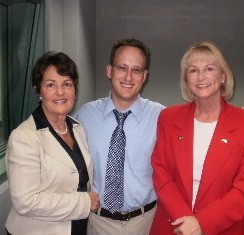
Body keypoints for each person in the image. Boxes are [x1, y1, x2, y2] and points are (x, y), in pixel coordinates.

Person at [150, 41, 244, 235]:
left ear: (222, 76)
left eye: (209, 68)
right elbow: (161, 174)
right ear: (186, 79)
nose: (201, 77)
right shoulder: (168, 118)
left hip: (224, 227)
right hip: (173, 224)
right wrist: (186, 221)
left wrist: (201, 223)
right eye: (193, 70)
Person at [74, 38, 164, 235]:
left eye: (137, 69)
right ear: (109, 71)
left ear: (145, 76)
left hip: (146, 223)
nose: (128, 76)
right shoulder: (85, 116)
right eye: (122, 67)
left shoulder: (161, 117)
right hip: (98, 223)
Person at [5, 51, 99, 235]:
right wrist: (85, 202)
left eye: (67, 84)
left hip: (76, 228)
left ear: (75, 89)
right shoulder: (24, 137)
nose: (60, 92)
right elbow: (26, 201)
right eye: (50, 85)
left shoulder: (77, 128)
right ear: (38, 89)